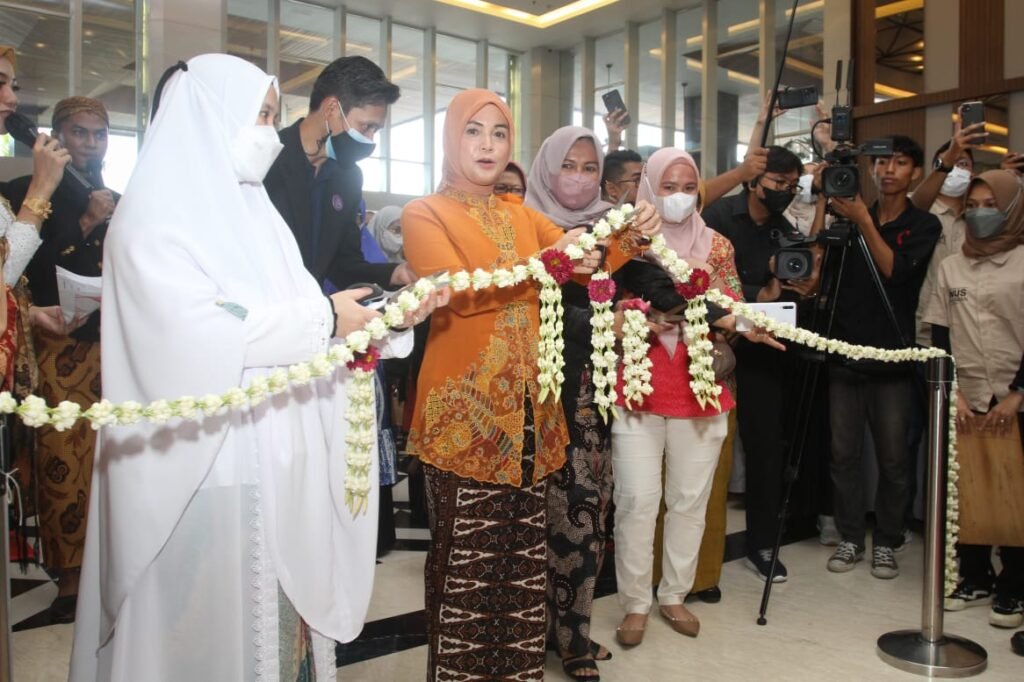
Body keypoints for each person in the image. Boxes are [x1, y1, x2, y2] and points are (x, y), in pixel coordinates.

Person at [69, 54, 441, 682]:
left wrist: (385, 319)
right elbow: (201, 333)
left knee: (278, 634)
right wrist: (325, 320)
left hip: (280, 462)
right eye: (261, 116)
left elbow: (304, 313)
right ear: (211, 118)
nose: (270, 132)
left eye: (272, 116)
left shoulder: (256, 214)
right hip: (204, 472)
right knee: (204, 641)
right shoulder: (147, 222)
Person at [403, 91, 609, 682]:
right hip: (464, 419)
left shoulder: (523, 215)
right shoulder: (426, 213)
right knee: (464, 568)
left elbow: (587, 255)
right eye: (474, 132)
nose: (488, 145)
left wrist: (628, 235)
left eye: (498, 133)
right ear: (450, 139)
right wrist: (550, 263)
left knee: (520, 571)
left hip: (530, 423)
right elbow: (457, 292)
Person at [609, 147, 784, 646]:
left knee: (690, 500)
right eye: (669, 187)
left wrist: (722, 327)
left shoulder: (719, 246)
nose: (680, 197)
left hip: (700, 387)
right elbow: (604, 298)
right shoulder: (625, 242)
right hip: (638, 386)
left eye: (689, 188)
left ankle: (674, 595)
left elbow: (731, 309)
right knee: (637, 501)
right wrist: (640, 314)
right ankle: (635, 603)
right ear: (649, 189)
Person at [524, 124, 660, 680]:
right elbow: (532, 308)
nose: (577, 178)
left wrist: (721, 312)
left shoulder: (616, 227)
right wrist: (606, 319)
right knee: (533, 522)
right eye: (567, 166)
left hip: (588, 393)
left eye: (588, 168)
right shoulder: (523, 224)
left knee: (584, 517)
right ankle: (534, 633)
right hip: (533, 390)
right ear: (545, 168)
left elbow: (654, 281)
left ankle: (575, 635)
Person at [4, 96, 115, 622]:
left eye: (99, 134)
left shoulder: (116, 198)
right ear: (56, 137)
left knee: (108, 465)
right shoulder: (17, 195)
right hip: (50, 349)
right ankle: (69, 581)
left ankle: (108, 571)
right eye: (79, 133)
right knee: (60, 467)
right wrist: (86, 224)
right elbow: (21, 274)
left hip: (111, 348)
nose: (90, 144)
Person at [823, 135, 941, 579]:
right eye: (881, 162)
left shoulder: (923, 225)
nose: (889, 170)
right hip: (845, 350)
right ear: (869, 169)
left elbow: (896, 272)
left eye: (901, 162)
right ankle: (852, 536)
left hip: (893, 354)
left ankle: (888, 539)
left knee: (894, 457)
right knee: (843, 454)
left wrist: (862, 222)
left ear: (914, 171)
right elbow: (823, 276)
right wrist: (836, 210)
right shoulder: (850, 216)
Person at [701, 145, 815, 583]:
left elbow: (786, 299)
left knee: (767, 450)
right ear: (754, 180)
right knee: (708, 450)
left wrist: (799, 287)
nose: (784, 192)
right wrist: (754, 295)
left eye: (792, 186)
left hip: (765, 354)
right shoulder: (718, 217)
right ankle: (697, 551)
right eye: (777, 183)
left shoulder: (788, 231)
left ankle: (763, 543)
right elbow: (697, 282)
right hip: (714, 345)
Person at [923, 170, 1024, 629]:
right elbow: (939, 335)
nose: (981, 212)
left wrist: (1018, 395)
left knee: (1016, 492)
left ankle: (1015, 585)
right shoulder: (951, 266)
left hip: (1015, 395)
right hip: (966, 396)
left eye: (991, 204)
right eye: (975, 203)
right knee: (967, 489)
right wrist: (954, 392)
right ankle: (975, 573)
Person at [264, 55, 415, 292]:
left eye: (376, 130)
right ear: (332, 109)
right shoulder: (268, 160)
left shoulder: (348, 178)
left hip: (314, 316)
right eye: (366, 127)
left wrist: (396, 273)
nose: (370, 140)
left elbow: (344, 265)